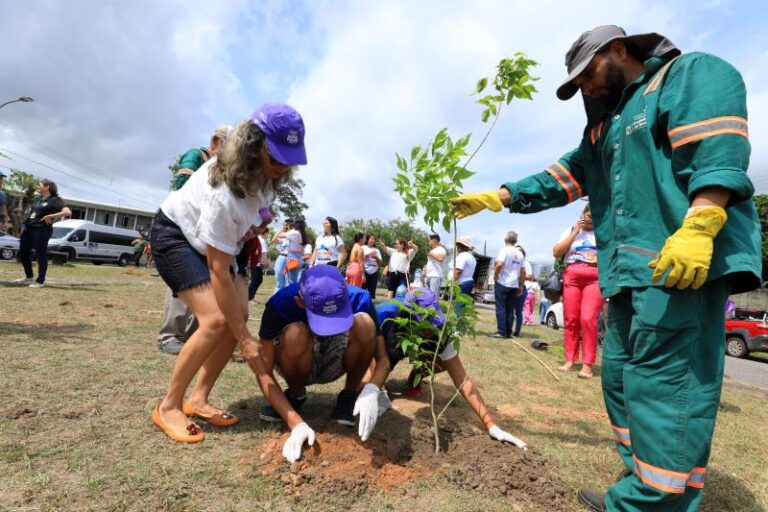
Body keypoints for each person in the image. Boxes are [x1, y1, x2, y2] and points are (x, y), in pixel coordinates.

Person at [450, 25, 760, 512]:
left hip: (678, 270)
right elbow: (563, 177)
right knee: (619, 382)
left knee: (665, 392)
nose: (585, 90)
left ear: (619, 50)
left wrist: (701, 221)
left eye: (587, 75)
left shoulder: (684, 77)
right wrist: (499, 196)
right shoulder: (604, 128)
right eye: (576, 87)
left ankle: (649, 501)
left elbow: (716, 149)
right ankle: (641, 479)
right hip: (628, 279)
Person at [149, 102, 307, 444]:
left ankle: (198, 399)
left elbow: (259, 209)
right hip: (176, 236)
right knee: (218, 321)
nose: (282, 167)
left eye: (288, 159)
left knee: (239, 314)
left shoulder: (267, 177)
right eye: (276, 158)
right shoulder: (224, 191)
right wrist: (247, 340)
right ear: (254, 146)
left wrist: (257, 224)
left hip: (213, 244)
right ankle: (168, 406)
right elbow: (218, 270)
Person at [255, 265, 391, 462]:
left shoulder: (359, 298)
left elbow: (383, 360)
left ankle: (348, 396)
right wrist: (296, 424)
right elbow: (263, 372)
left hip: (335, 359)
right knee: (295, 333)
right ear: (299, 302)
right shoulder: (280, 305)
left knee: (365, 323)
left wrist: (372, 388)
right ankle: (296, 395)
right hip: (295, 360)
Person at [368, 288, 527, 449]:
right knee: (376, 373)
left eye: (433, 322)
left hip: (413, 347)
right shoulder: (387, 317)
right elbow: (370, 357)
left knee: (443, 359)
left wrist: (491, 425)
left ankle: (414, 378)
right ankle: (382, 389)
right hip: (383, 349)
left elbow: (462, 380)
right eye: (425, 324)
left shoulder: (440, 330)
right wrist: (379, 392)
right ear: (410, 316)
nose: (431, 329)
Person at [157, 125, 231, 355]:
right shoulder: (197, 156)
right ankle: (170, 335)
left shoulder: (227, 166)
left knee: (206, 288)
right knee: (182, 287)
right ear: (217, 141)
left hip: (206, 234)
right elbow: (182, 185)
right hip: (183, 229)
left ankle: (192, 337)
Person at [553, 204, 602, 379]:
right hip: (572, 275)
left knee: (588, 318)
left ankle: (588, 364)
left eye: (593, 216)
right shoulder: (571, 230)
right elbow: (556, 252)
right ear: (582, 215)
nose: (589, 218)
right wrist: (574, 232)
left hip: (595, 277)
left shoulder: (604, 231)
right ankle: (570, 359)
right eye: (587, 215)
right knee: (571, 318)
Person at [16, 179, 71, 288]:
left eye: (39, 185)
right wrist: (24, 225)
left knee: (40, 253)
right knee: (23, 252)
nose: (37, 186)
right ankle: (29, 277)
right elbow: (31, 214)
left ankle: (40, 281)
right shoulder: (37, 199)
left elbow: (67, 212)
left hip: (41, 229)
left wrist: (51, 216)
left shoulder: (55, 200)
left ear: (47, 187)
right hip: (29, 228)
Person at [492, 231, 525, 338]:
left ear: (505, 239)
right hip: (514, 285)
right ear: (515, 241)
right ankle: (508, 332)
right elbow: (523, 271)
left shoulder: (504, 250)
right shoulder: (519, 253)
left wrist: (495, 276)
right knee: (510, 309)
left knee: (501, 308)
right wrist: (520, 285)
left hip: (503, 282)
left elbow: (499, 264)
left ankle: (501, 332)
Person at [271, 218, 301, 293]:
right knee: (279, 280)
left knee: (289, 281)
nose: (285, 226)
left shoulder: (295, 234)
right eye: (284, 225)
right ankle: (276, 299)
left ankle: (288, 299)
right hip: (282, 257)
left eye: (286, 225)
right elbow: (273, 240)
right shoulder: (284, 237)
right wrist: (282, 229)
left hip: (291, 258)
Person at [247, 226, 270, 302]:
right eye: (267, 234)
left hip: (255, 262)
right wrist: (268, 264)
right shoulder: (262, 241)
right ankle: (249, 297)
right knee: (256, 280)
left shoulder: (258, 239)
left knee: (258, 280)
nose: (268, 236)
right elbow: (264, 254)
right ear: (265, 233)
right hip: (257, 263)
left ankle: (250, 297)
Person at [453, 236, 477, 311]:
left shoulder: (462, 256)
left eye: (458, 245)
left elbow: (458, 271)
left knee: (458, 305)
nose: (457, 247)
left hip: (461, 283)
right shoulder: (471, 257)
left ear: (462, 246)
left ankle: (458, 322)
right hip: (468, 282)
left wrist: (453, 283)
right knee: (462, 304)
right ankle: (460, 321)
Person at [511, 245, 530, 337]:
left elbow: (530, 276)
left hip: (521, 288)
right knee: (509, 309)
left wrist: (520, 276)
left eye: (519, 251)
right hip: (511, 287)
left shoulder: (526, 263)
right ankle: (508, 329)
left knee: (518, 311)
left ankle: (517, 331)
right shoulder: (512, 261)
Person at [424, 233, 446, 298]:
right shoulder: (432, 250)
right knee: (427, 297)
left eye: (429, 240)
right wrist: (425, 272)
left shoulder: (441, 249)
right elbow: (430, 263)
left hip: (435, 276)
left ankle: (433, 308)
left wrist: (431, 254)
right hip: (429, 276)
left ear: (434, 240)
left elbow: (441, 258)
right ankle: (428, 308)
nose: (428, 242)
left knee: (433, 297)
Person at [362, 233, 382, 299]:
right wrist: (369, 254)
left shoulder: (377, 250)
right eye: (371, 238)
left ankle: (372, 307)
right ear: (367, 240)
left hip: (374, 273)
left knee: (372, 293)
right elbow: (359, 258)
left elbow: (380, 262)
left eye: (374, 239)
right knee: (363, 291)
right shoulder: (363, 247)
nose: (373, 240)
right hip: (364, 272)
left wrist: (376, 257)